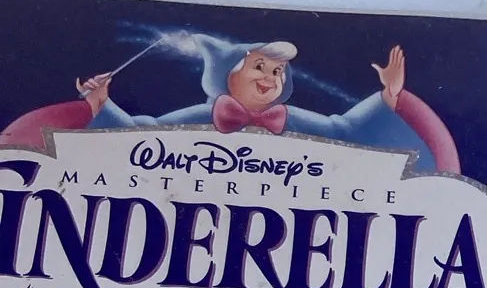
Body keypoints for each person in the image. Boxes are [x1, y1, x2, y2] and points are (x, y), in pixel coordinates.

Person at [0, 33, 460, 177]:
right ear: (227, 75)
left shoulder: (296, 122)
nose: (270, 78)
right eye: (260, 67)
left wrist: (389, 98)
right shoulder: (200, 120)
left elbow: (347, 132)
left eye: (277, 72)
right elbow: (140, 135)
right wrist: (100, 103)